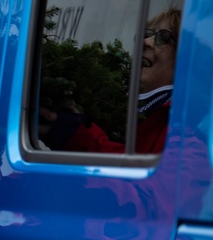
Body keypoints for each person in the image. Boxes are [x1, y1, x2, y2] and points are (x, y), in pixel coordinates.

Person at [40, 8, 181, 154]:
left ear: (184, 60)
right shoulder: (108, 103)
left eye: (163, 38)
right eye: (146, 34)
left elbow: (146, 174)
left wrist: (78, 137)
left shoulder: (181, 126)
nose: (145, 41)